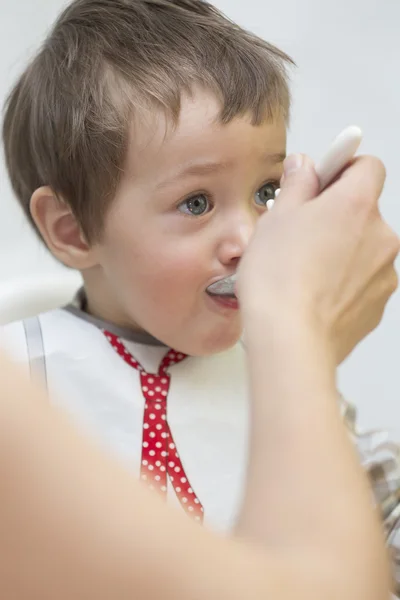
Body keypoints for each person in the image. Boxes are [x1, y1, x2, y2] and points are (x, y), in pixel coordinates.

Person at [0, 0, 399, 594]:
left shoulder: (282, 367)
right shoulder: (21, 377)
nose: (249, 239)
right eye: (196, 203)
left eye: (266, 191)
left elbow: (373, 502)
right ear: (73, 229)